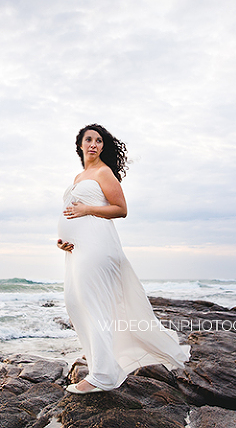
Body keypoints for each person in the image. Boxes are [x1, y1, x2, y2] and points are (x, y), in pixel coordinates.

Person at [57, 123, 190, 394]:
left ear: (103, 147)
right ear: (80, 145)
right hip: (78, 250)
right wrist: (66, 241)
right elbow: (72, 213)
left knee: (93, 305)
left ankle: (103, 375)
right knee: (74, 302)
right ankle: (101, 365)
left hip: (98, 247)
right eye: (89, 140)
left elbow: (121, 209)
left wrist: (86, 210)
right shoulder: (79, 176)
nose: (93, 144)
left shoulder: (104, 172)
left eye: (98, 141)